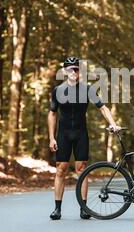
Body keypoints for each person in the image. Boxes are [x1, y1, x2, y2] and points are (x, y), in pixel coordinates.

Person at [48, 57, 120, 220]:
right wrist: (52, 138)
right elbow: (52, 114)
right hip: (63, 134)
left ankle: (83, 208)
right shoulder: (58, 91)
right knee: (61, 169)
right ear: (65, 71)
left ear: (80, 71)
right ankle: (57, 209)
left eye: (76, 69)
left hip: (80, 133)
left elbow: (103, 108)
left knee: (82, 169)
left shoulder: (87, 89)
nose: (73, 72)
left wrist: (113, 124)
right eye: (70, 69)